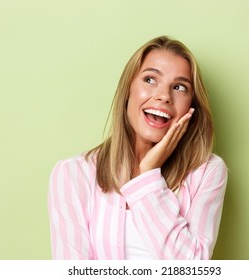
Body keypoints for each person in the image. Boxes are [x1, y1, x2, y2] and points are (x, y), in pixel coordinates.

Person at [48, 36, 228, 260]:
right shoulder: (73, 174)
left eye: (179, 87)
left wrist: (149, 174)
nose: (164, 96)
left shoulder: (207, 172)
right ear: (128, 90)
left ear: (191, 106)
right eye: (150, 79)